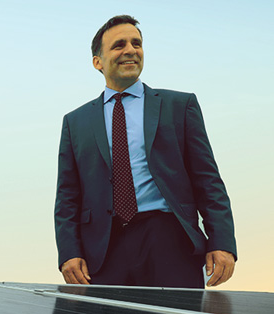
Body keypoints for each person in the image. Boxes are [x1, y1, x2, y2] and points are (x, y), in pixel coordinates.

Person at [55, 15, 236, 288]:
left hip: (170, 240)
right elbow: (67, 195)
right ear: (98, 62)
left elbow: (207, 179)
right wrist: (69, 252)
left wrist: (222, 241)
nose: (130, 50)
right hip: (103, 249)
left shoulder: (180, 105)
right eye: (119, 45)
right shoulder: (75, 122)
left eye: (136, 43)